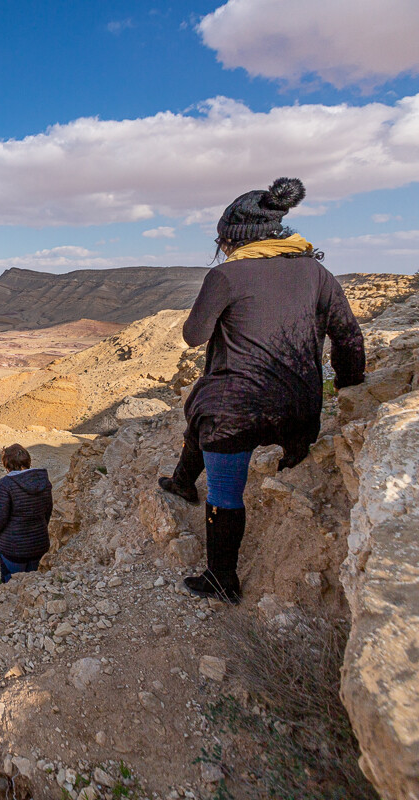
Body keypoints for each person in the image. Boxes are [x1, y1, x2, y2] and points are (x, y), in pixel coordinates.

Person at [158, 177, 364, 604]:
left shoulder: (227, 276)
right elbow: (348, 337)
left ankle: (221, 580)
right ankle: (181, 480)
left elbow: (194, 336)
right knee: (206, 407)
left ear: (233, 238)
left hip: (236, 414)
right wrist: (350, 391)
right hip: (299, 415)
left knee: (222, 480)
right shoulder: (318, 273)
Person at [0, 443, 52, 583]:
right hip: (38, 544)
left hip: (13, 548)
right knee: (31, 583)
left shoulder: (6, 483)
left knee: (11, 585)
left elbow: (0, 518)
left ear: (7, 463)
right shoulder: (43, 480)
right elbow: (47, 512)